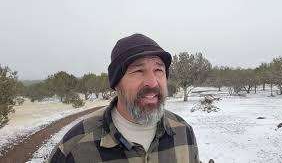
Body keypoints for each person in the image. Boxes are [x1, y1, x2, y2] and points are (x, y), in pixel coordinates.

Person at [48, 33, 200, 163]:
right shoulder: (74, 147)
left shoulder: (183, 132)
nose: (152, 82)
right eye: (139, 70)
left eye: (159, 69)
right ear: (116, 84)